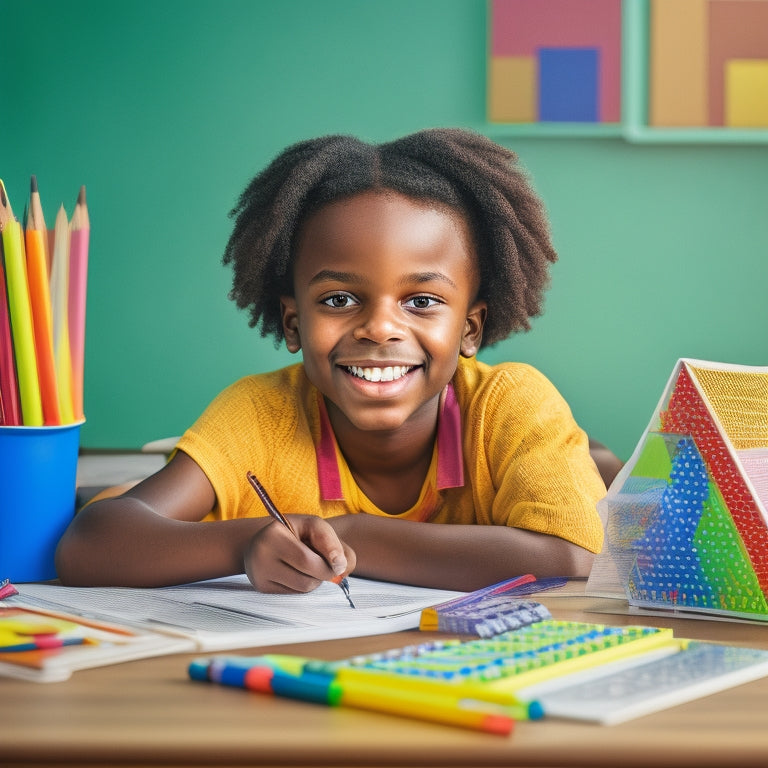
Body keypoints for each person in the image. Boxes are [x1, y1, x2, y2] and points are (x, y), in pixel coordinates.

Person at [56, 128, 609, 594]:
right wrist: (244, 542)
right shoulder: (261, 413)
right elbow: (90, 544)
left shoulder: (509, 404)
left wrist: (353, 535)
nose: (380, 328)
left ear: (470, 328)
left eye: (421, 301)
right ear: (294, 324)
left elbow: (569, 556)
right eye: (339, 300)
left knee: (601, 466)